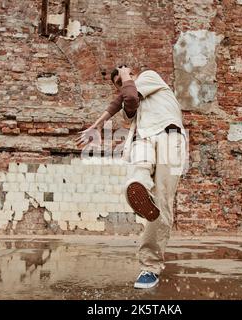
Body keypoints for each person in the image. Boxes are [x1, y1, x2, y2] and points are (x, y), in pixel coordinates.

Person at [76, 65, 187, 289]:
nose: (121, 85)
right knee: (138, 171)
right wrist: (95, 127)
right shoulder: (133, 105)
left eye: (122, 81)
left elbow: (128, 93)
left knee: (163, 204)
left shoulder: (150, 77)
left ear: (133, 74)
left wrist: (126, 75)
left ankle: (151, 267)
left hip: (169, 136)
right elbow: (128, 101)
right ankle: (140, 189)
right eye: (117, 84)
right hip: (142, 139)